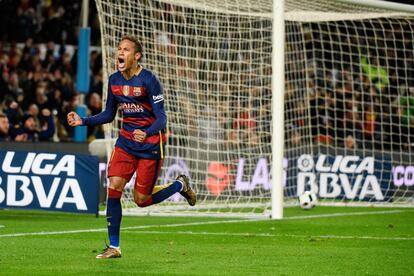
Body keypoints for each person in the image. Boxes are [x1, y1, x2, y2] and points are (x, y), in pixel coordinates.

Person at [67, 36, 196, 259]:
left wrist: (146, 132)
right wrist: (83, 121)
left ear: (136, 56)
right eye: (119, 49)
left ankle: (179, 185)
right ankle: (114, 247)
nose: (120, 52)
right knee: (114, 188)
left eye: (126, 50)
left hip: (150, 145)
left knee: (141, 200)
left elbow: (162, 119)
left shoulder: (148, 80)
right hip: (126, 143)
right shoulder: (114, 80)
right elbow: (109, 114)